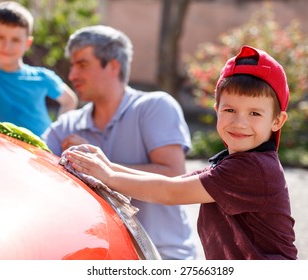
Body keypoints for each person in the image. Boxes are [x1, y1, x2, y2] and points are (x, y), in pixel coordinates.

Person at [65, 45, 298, 260]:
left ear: (277, 121)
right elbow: (171, 181)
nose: (240, 122)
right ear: (217, 110)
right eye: (230, 110)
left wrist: (107, 176)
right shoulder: (236, 162)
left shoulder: (252, 169)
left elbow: (170, 193)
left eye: (255, 114)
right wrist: (109, 166)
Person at [41, 25, 197, 260]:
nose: (72, 75)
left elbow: (173, 176)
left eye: (82, 64)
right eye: (72, 65)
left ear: (113, 65)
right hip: (100, 260)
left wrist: (98, 167)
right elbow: (36, 166)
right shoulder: (67, 126)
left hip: (163, 260)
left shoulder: (154, 107)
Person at [0, 1, 78, 137]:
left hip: (42, 152)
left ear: (27, 43)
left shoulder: (42, 77)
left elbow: (70, 101)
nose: (7, 46)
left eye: (16, 40)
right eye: (0, 37)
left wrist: (57, 133)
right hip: (4, 153)